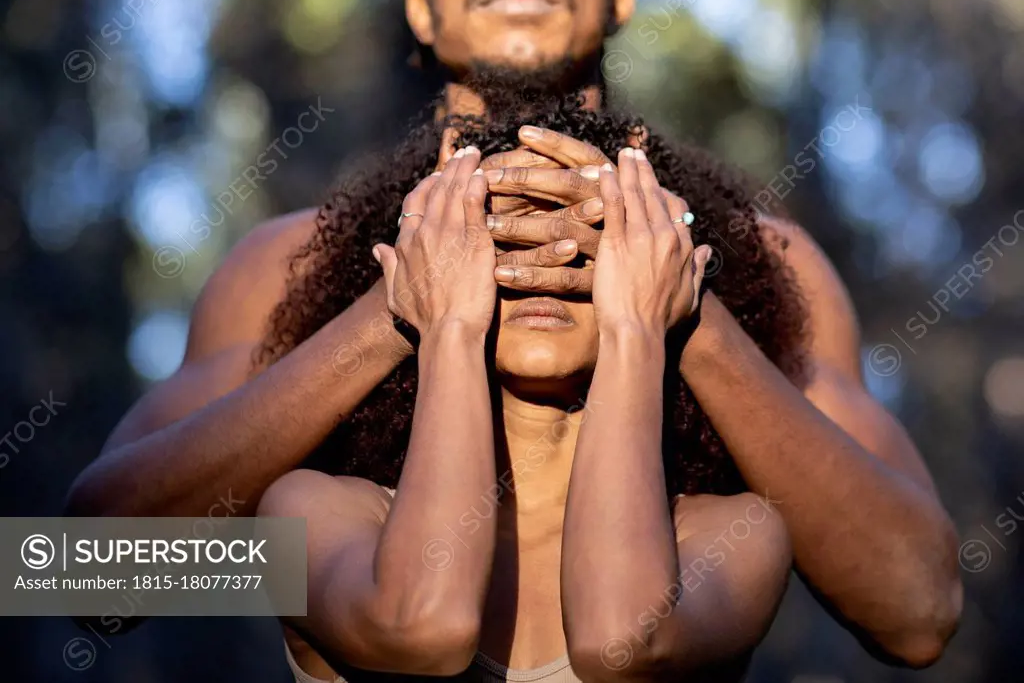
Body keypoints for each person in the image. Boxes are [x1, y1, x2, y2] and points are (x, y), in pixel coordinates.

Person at [66, 0, 961, 670]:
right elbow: (83, 575)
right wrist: (395, 315)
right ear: (421, 7)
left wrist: (684, 315)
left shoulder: (766, 267)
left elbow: (918, 613)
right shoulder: (284, 271)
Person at [258, 98, 795, 682]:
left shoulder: (739, 538)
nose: (545, 263)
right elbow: (423, 625)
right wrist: (449, 327)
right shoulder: (303, 514)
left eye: (587, 238)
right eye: (503, 238)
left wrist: (636, 329)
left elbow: (624, 642)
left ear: (653, 267)